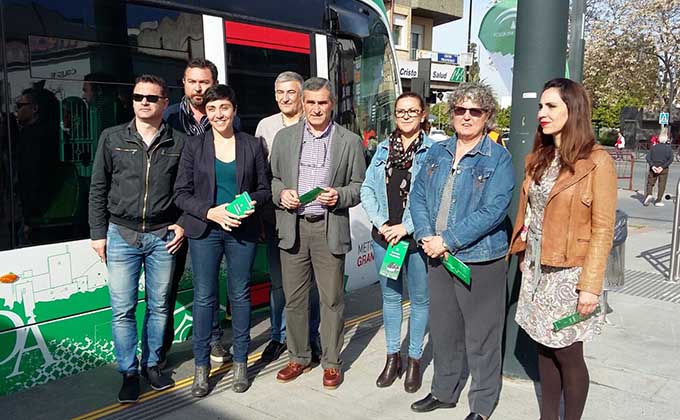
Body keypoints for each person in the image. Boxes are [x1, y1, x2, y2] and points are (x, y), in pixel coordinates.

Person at [509, 78, 617, 420]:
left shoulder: (597, 162)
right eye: (541, 105)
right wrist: (524, 250)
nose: (542, 113)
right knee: (543, 346)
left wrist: (590, 286)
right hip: (539, 269)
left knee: (568, 352)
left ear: (574, 110)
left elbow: (603, 229)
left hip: (570, 273)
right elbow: (530, 210)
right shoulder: (540, 156)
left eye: (551, 106)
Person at [409, 83, 514, 420]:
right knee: (443, 330)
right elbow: (418, 197)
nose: (466, 116)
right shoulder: (436, 153)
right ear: (452, 112)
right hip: (436, 255)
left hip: (479, 259)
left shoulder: (498, 158)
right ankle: (444, 391)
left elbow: (494, 210)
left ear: (487, 116)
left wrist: (448, 240)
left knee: (481, 336)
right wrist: (426, 236)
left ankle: (482, 405)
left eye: (475, 111)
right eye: (460, 110)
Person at [89, 74, 186, 403]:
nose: (144, 102)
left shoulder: (179, 141)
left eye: (151, 97)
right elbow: (98, 188)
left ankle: (153, 364)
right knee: (123, 310)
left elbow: (188, 191)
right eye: (138, 96)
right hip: (120, 234)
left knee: (159, 307)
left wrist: (183, 223)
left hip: (162, 235)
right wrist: (97, 234)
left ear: (164, 103)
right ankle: (129, 372)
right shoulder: (112, 137)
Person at [174, 84, 270, 396]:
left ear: (234, 110)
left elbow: (263, 190)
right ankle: (202, 366)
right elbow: (181, 194)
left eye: (224, 108)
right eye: (212, 109)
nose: (218, 115)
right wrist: (212, 212)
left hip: (241, 228)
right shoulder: (194, 146)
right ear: (207, 113)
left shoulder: (252, 145)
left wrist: (241, 206)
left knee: (239, 296)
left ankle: (240, 361)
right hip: (206, 230)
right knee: (204, 298)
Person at [271, 77, 366, 390]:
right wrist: (282, 193)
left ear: (332, 105)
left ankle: (331, 362)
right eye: (309, 102)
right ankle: (298, 357)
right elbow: (272, 179)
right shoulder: (284, 138)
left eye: (321, 103)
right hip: (293, 228)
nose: (315, 108)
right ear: (302, 104)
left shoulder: (349, 141)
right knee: (295, 299)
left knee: (332, 301)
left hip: (328, 228)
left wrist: (339, 196)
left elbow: (358, 187)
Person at [360, 92, 433, 393]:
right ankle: (393, 357)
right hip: (385, 237)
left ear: (423, 115)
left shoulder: (433, 152)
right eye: (401, 111)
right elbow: (367, 189)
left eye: (412, 111)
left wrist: (406, 226)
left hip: (416, 239)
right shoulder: (381, 150)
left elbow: (433, 198)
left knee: (419, 300)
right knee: (390, 299)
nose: (405, 116)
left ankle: (414, 358)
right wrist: (383, 224)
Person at [162, 58, 231, 367]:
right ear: (184, 83)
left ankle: (215, 340)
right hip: (175, 214)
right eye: (193, 81)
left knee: (209, 283)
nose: (199, 87)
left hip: (212, 217)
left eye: (204, 82)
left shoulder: (225, 118)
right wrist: (179, 220)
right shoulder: (169, 118)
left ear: (213, 83)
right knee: (167, 283)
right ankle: (158, 352)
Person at [255, 71, 321, 364]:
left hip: (313, 218)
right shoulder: (266, 126)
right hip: (277, 218)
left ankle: (312, 336)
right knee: (279, 282)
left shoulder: (315, 123)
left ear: (301, 95)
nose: (284, 98)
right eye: (279, 93)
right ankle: (279, 337)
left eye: (290, 92)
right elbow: (260, 176)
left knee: (313, 284)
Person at [643, 132, 673, 207]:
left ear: (658, 139)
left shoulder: (654, 147)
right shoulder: (668, 148)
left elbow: (647, 157)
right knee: (662, 184)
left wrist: (652, 166)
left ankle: (649, 194)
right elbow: (671, 159)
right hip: (664, 169)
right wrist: (662, 167)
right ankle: (658, 200)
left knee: (650, 183)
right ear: (666, 140)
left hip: (653, 167)